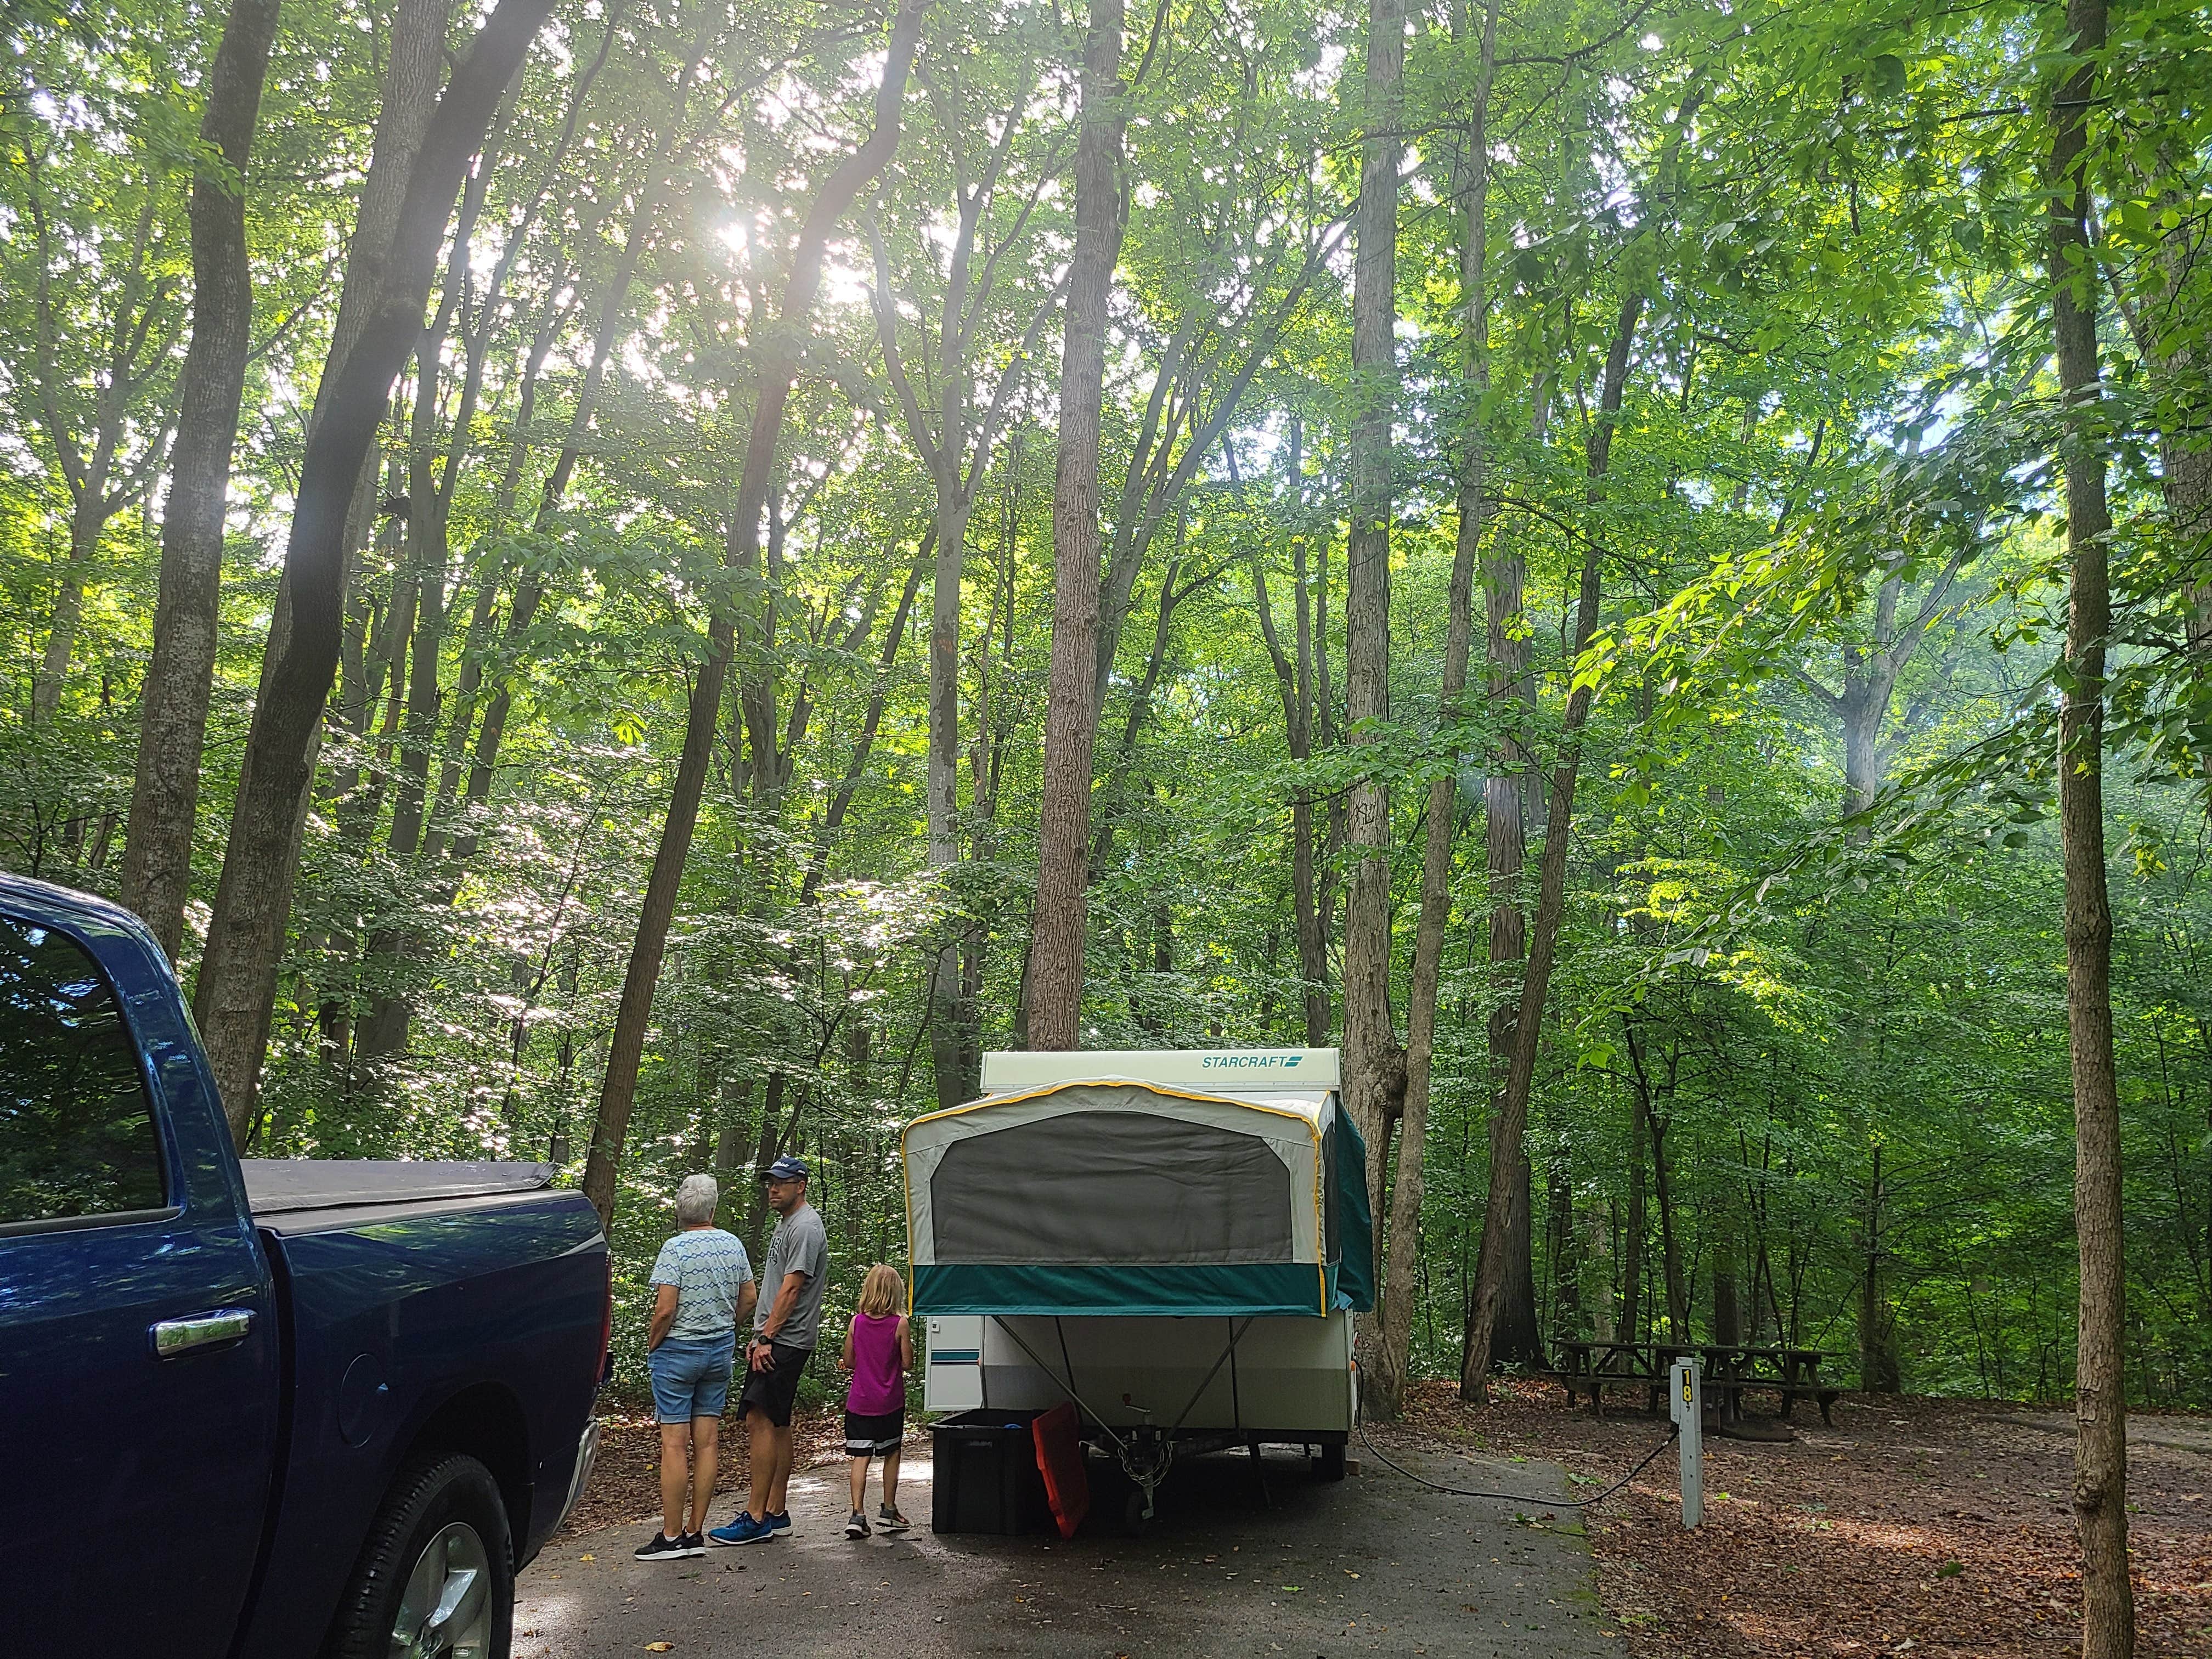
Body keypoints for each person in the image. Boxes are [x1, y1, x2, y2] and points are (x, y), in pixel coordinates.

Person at [635, 1173, 756, 1561]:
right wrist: (727, 1324)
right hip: (718, 1351)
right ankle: (694, 1531)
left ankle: (671, 1537)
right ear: (713, 1209)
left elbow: (665, 1308)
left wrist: (653, 1343)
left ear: (679, 1210)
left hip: (678, 1352)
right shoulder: (732, 1244)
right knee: (707, 1443)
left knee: (674, 1444)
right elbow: (750, 1296)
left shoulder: (675, 1249)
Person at [708, 1154, 827, 1546]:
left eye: (781, 1182)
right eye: (770, 1183)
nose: (773, 1189)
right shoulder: (787, 1224)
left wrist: (766, 1337)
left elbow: (792, 1287)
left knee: (758, 1419)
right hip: (779, 1337)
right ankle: (776, 1510)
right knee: (777, 1422)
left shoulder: (806, 1227)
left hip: (785, 1340)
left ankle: (756, 1516)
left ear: (801, 1185)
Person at [838, 1263, 913, 1538]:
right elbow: (907, 1363)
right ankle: (889, 1510)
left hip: (859, 1402)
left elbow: (849, 1361)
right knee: (891, 1453)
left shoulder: (856, 1322)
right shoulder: (900, 1324)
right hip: (889, 1403)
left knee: (860, 1457)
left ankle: (857, 1515)